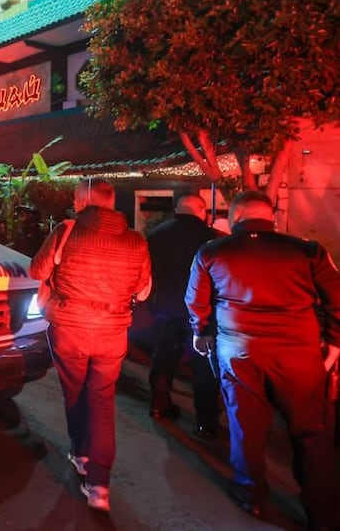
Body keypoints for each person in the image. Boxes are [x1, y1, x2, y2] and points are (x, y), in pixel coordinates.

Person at [186, 190, 340, 527]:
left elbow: (195, 301)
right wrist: (335, 343)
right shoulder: (307, 251)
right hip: (298, 354)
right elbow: (337, 298)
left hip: (239, 352)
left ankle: (251, 496)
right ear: (272, 216)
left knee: (246, 428)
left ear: (236, 217)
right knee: (312, 434)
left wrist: (201, 332)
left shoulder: (212, 252)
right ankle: (323, 513)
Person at [29, 178, 151, 512]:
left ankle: (81, 453)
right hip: (113, 331)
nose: (73, 203)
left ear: (84, 200)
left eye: (75, 198)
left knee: (75, 392)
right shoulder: (136, 240)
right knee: (102, 400)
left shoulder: (66, 231)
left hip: (71, 327)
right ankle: (99, 485)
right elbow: (142, 291)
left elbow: (37, 271)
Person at [146, 193, 222, 439]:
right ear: (202, 210)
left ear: (177, 210)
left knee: (164, 357)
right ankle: (205, 422)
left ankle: (159, 405)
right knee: (203, 365)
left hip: (166, 306)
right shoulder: (212, 238)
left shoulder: (156, 235)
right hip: (201, 311)